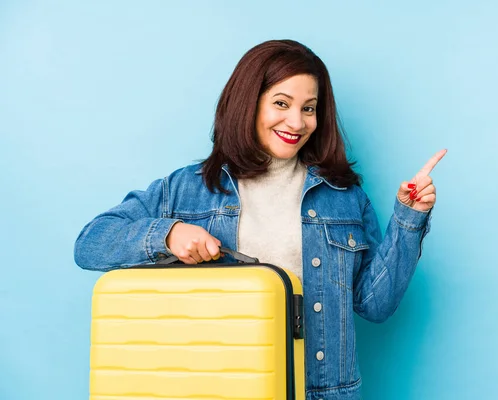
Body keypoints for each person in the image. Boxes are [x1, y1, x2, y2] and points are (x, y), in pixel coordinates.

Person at [74, 39, 446, 400]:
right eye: (281, 103)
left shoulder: (343, 197)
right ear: (248, 104)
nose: (296, 122)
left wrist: (409, 217)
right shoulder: (186, 189)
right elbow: (90, 243)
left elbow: (375, 305)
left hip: (322, 393)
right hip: (221, 389)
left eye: (309, 108)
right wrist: (168, 234)